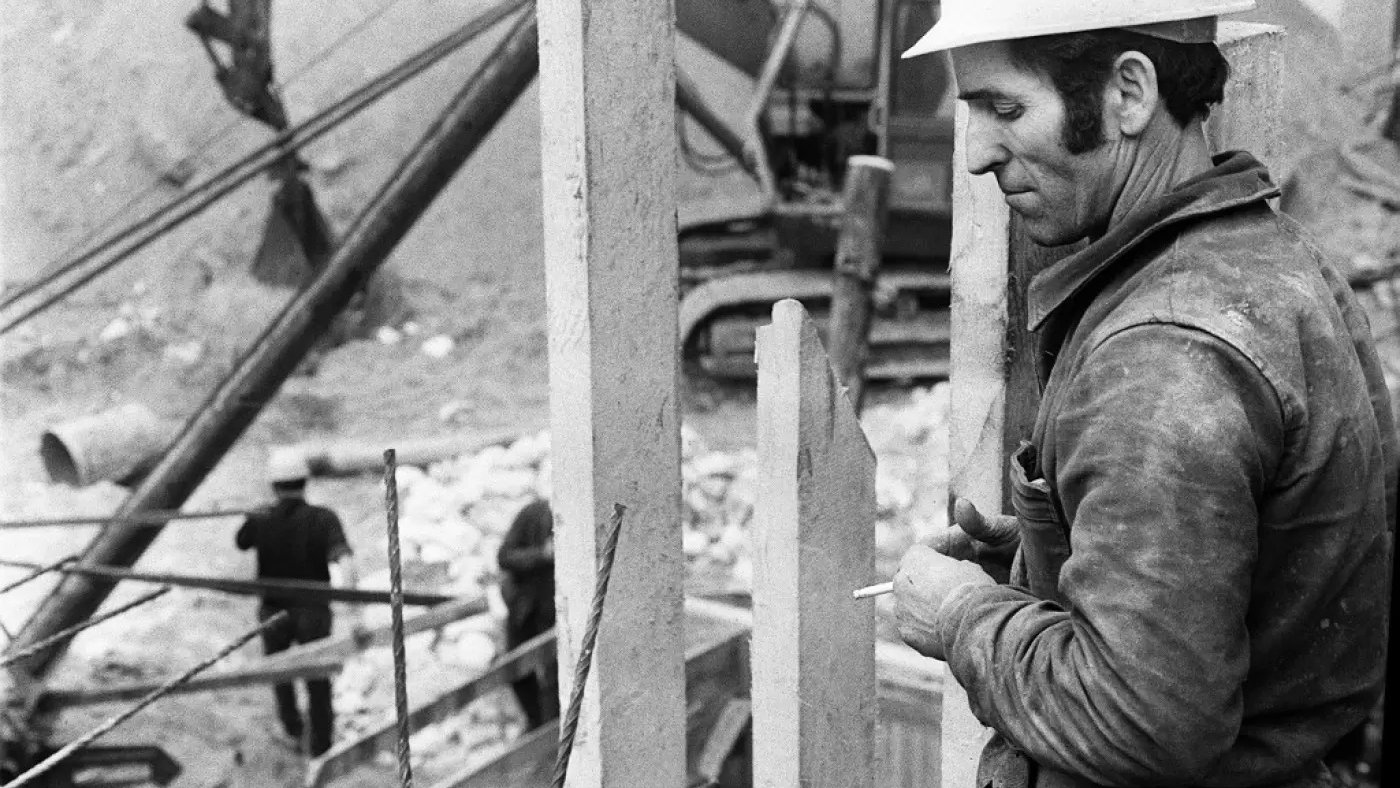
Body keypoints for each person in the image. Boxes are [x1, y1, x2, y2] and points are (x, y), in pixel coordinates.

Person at [892, 2, 1397, 786]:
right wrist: (1058, 555)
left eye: (1005, 107)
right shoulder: (1266, 261)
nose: (978, 155)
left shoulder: (1165, 355)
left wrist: (962, 618)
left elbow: (1140, 726)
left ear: (1129, 92)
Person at [236, 448, 356, 757]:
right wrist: (351, 600)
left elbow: (241, 541)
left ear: (273, 485)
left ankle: (292, 729)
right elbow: (345, 560)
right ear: (305, 481)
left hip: (273, 611)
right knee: (317, 678)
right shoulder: (323, 518)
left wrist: (254, 513)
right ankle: (322, 744)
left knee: (281, 673)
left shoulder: (262, 517)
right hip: (313, 611)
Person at [496, 497, 560, 729]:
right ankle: (536, 724)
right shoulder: (533, 514)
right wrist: (542, 554)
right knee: (516, 671)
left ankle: (549, 741)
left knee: (555, 680)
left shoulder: (577, 519)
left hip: (554, 617)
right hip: (524, 612)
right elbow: (505, 556)